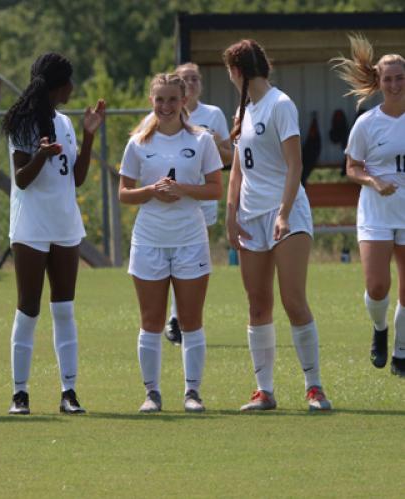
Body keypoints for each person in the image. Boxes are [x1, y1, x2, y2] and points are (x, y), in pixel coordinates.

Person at [223, 40, 332, 411]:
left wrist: (284, 213)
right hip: (251, 218)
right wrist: (230, 214)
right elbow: (238, 172)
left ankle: (314, 387)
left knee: (293, 300)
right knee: (257, 305)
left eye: (230, 72)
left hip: (287, 213)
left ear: (238, 71)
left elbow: (295, 166)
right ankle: (264, 391)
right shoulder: (245, 112)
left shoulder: (280, 104)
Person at [2, 53, 105, 415]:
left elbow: (75, 178)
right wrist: (41, 155)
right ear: (56, 85)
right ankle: (20, 394)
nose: (73, 88)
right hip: (30, 226)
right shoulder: (21, 123)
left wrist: (89, 135)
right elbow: (21, 180)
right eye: (69, 82)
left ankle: (69, 392)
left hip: (64, 224)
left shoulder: (65, 122)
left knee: (64, 309)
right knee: (28, 309)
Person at [119, 73, 223, 413]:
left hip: (190, 239)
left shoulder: (202, 140)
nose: (165, 107)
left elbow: (215, 188)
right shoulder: (138, 143)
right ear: (152, 101)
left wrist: (182, 190)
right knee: (151, 319)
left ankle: (192, 392)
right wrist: (151, 192)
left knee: (191, 320)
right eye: (159, 100)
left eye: (172, 100)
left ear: (184, 101)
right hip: (149, 240)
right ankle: (152, 393)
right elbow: (124, 193)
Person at [332, 35, 405, 377]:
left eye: (399, 77)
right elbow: (352, 167)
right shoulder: (367, 122)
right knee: (377, 286)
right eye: (387, 78)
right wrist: (375, 182)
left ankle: (401, 352)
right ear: (378, 82)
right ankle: (379, 329)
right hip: (376, 211)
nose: (393, 84)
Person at [163, 62, 232, 346]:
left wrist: (214, 143)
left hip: (201, 195)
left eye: (195, 79)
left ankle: (183, 318)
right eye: (185, 79)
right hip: (172, 198)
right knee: (170, 255)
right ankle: (174, 317)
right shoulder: (165, 113)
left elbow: (230, 156)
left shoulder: (212, 115)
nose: (190, 84)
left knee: (191, 261)